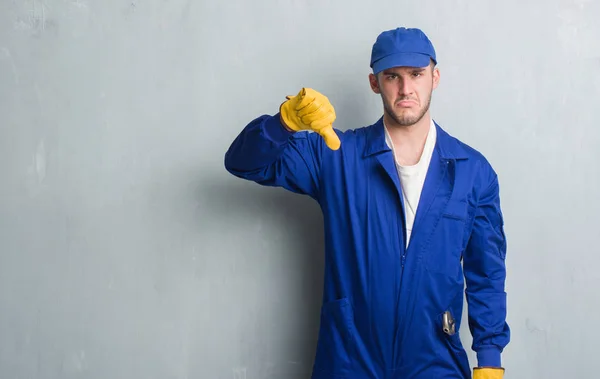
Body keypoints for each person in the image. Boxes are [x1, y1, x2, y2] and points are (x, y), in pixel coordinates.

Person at [224, 26, 510, 379]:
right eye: (393, 77)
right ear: (375, 83)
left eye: (416, 75)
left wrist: (490, 358)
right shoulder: (336, 156)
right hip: (349, 359)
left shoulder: (473, 172)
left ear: (434, 78)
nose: (406, 89)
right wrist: (284, 123)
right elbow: (242, 162)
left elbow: (487, 273)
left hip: (434, 361)